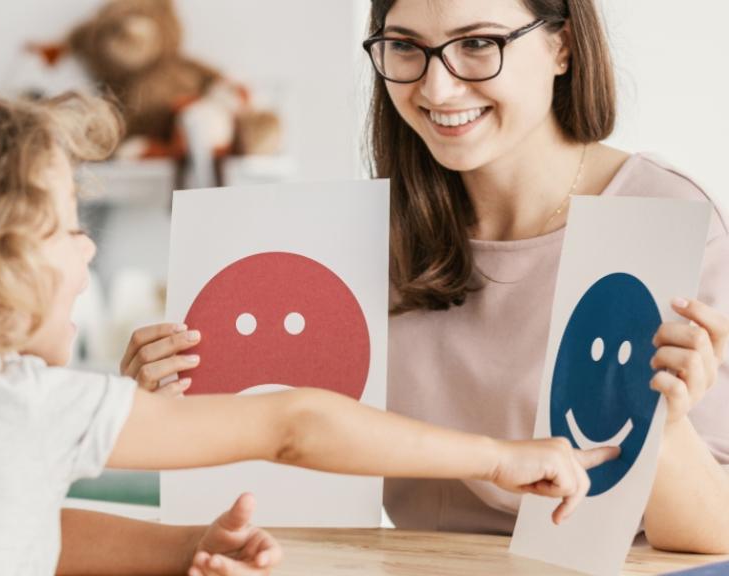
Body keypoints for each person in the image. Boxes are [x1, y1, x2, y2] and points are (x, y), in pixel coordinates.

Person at [0, 92, 613, 576]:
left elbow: (18, 526)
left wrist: (182, 546)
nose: (87, 245)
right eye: (63, 228)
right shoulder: (21, 405)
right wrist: (496, 457)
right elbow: (292, 423)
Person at [133, 0, 729, 556]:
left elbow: (713, 532)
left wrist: (665, 426)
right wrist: (163, 407)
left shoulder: (660, 214)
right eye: (405, 46)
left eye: (476, 44)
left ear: (562, 47)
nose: (436, 87)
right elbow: (284, 457)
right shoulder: (353, 237)